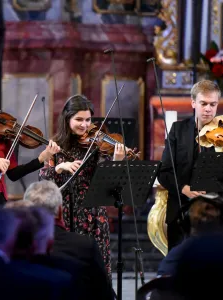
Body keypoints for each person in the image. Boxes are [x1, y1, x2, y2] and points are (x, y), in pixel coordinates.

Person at [39, 94, 129, 279]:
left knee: (94, 272)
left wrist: (116, 161)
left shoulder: (97, 146)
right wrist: (59, 167)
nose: (85, 125)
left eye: (88, 120)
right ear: (67, 119)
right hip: (65, 215)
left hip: (93, 216)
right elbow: (43, 183)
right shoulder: (55, 146)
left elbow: (110, 183)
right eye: (79, 119)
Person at [157, 79, 221, 251]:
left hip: (214, 213)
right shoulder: (178, 130)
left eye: (213, 104)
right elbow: (164, 172)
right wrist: (183, 188)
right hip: (180, 211)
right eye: (203, 103)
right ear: (193, 103)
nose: (208, 108)